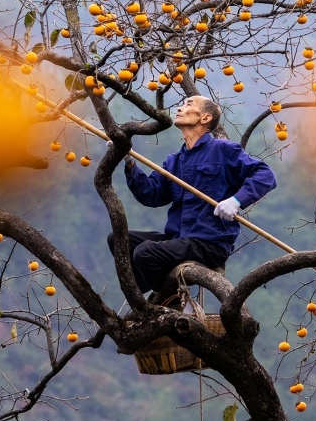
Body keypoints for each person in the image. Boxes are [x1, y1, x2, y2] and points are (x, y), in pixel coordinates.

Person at [106, 95, 276, 303]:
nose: (180, 108)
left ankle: (173, 301)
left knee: (145, 253)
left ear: (205, 118)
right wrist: (128, 159)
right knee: (118, 240)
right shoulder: (174, 161)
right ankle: (152, 295)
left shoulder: (223, 150)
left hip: (208, 243)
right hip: (179, 240)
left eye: (188, 104)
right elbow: (151, 194)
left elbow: (265, 175)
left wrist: (237, 201)